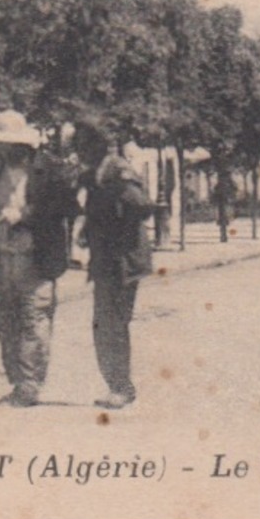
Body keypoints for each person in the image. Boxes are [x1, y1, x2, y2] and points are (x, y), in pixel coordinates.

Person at [0, 110, 73, 407]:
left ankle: (30, 384)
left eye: (5, 143)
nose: (1, 149)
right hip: (3, 257)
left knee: (34, 319)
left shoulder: (49, 169)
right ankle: (16, 381)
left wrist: (23, 215)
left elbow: (63, 206)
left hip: (36, 257)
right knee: (6, 319)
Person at [77, 121, 152, 410]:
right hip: (107, 260)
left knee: (114, 324)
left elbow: (141, 206)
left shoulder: (117, 171)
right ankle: (116, 385)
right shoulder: (97, 173)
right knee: (104, 324)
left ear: (97, 146)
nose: (80, 152)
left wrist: (111, 215)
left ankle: (121, 387)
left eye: (83, 145)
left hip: (123, 260)